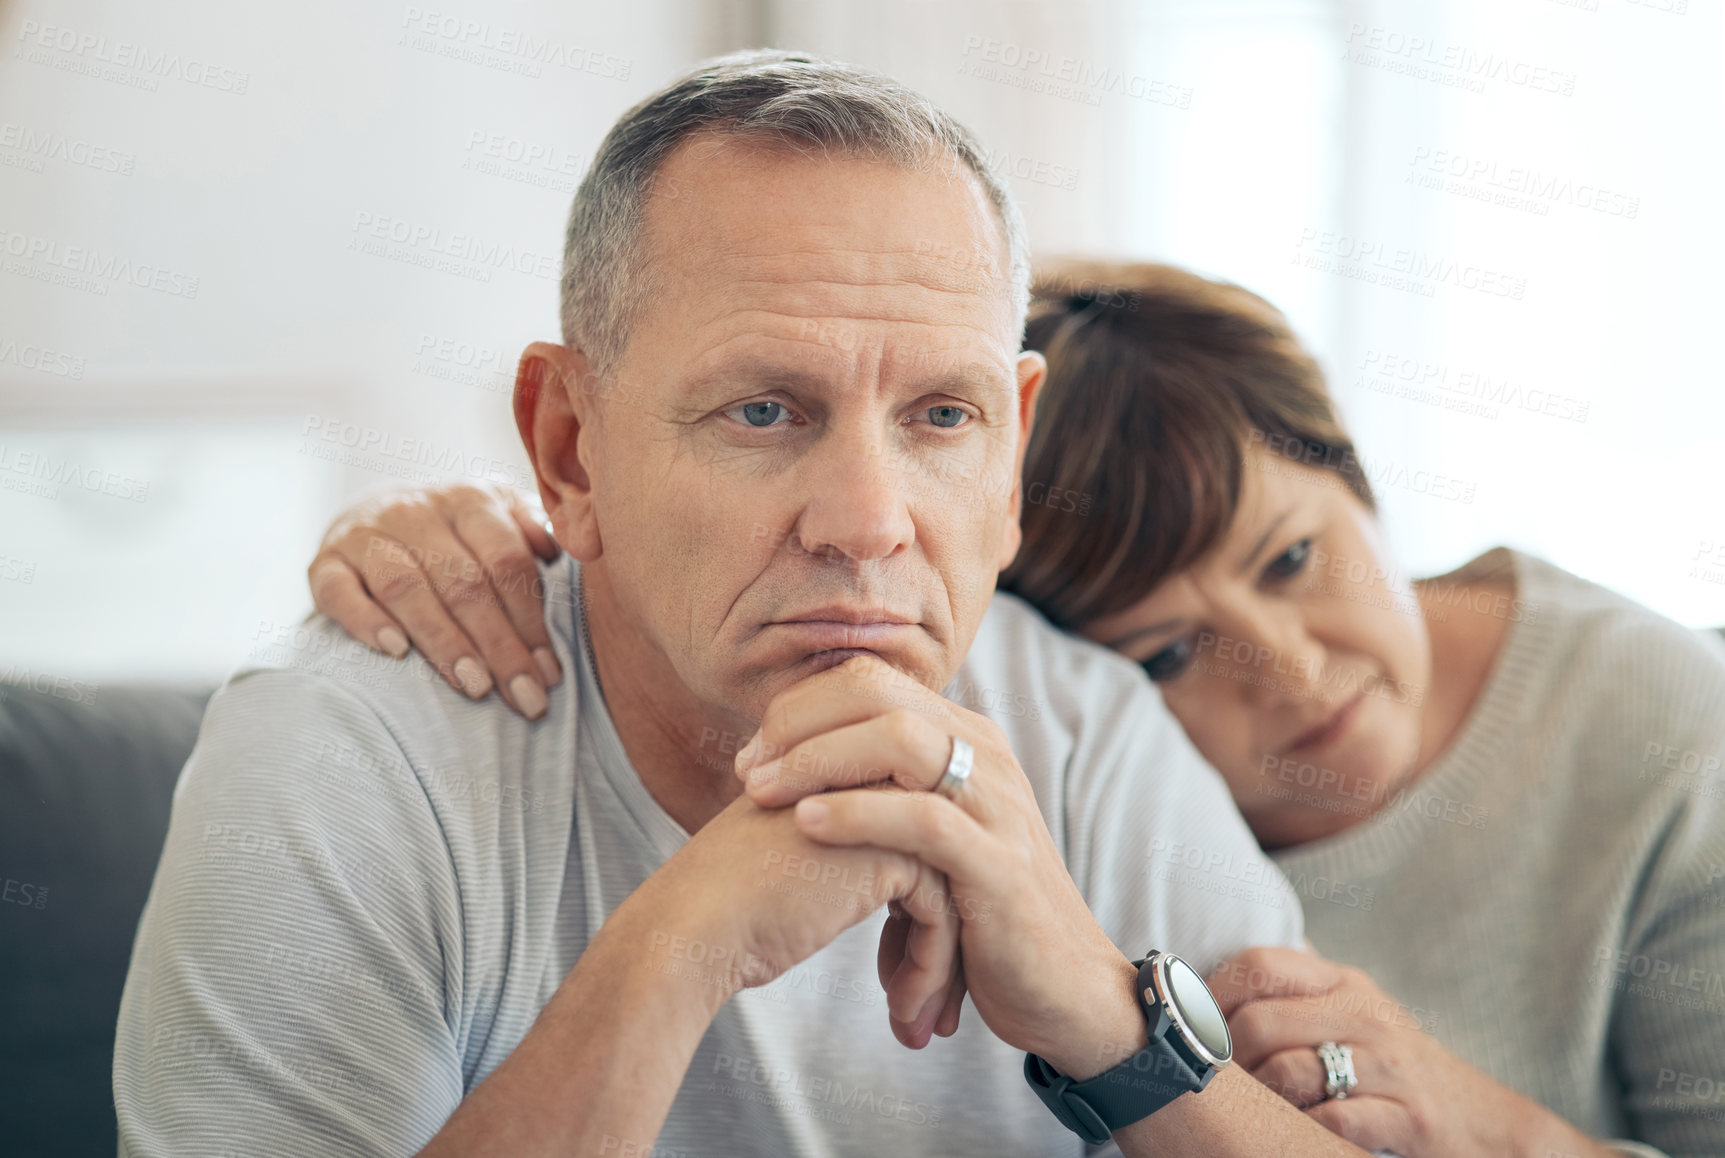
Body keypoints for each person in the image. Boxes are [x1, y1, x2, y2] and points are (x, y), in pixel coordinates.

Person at [114, 53, 1382, 1158]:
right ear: (569, 448)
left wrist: (1105, 1019)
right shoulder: (345, 754)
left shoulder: (1092, 742)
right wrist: (678, 954)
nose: (869, 522)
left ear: (1013, 457)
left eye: (943, 417)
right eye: (763, 411)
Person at [326, 260, 1725, 1158]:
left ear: (1357, 472)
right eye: (1173, 654)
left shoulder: (1660, 724)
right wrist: (487, 525)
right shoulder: (1074, 780)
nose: (1294, 673)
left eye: (1295, 557)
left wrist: (1484, 1122)